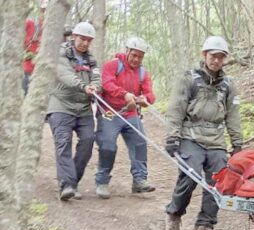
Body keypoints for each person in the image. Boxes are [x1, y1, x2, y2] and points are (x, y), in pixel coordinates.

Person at [164, 36, 243, 230]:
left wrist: (237, 143)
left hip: (216, 139)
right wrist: (172, 136)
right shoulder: (189, 78)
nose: (216, 61)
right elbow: (176, 108)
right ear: (204, 55)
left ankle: (204, 228)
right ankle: (174, 215)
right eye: (213, 56)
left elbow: (233, 116)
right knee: (190, 176)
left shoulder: (228, 85)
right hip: (191, 136)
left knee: (218, 183)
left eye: (220, 57)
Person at [94, 37, 156, 199]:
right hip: (109, 112)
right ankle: (102, 181)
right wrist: (125, 94)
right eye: (134, 55)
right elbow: (107, 84)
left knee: (140, 142)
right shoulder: (112, 65)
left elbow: (150, 94)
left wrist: (145, 99)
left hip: (130, 113)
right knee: (107, 146)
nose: (136, 59)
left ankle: (139, 180)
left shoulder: (143, 73)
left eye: (140, 56)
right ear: (127, 51)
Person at [46, 22, 101, 201]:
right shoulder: (60, 53)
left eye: (88, 40)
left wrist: (95, 87)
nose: (84, 43)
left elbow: (97, 77)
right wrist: (83, 86)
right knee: (63, 142)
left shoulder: (91, 59)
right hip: (61, 105)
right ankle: (66, 184)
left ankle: (72, 182)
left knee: (88, 140)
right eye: (82, 39)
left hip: (84, 108)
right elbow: (64, 74)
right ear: (74, 37)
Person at [23, 0, 48, 95]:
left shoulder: (52, 30)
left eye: (47, 10)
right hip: (28, 66)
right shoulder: (30, 23)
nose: (45, 13)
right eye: (43, 10)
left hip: (43, 70)